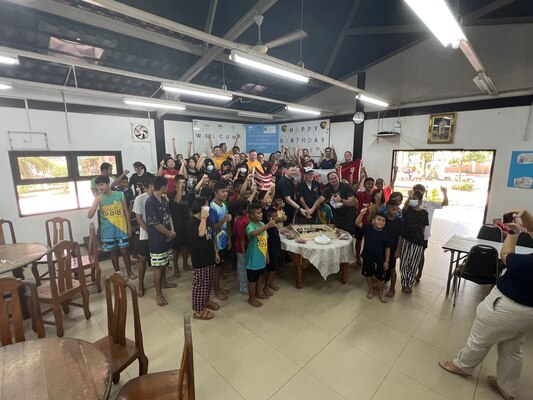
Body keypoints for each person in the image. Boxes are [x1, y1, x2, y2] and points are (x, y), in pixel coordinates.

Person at [439, 208, 533, 400]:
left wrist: (513, 234)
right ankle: (507, 388)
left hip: (506, 305)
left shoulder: (528, 264)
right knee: (513, 349)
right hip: (528, 312)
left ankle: (462, 366)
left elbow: (505, 255)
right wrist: (525, 215)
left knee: (480, 338)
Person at [87, 175, 135, 279]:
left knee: (124, 251)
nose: (100, 187)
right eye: (98, 185)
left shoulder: (119, 194)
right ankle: (118, 274)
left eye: (102, 184)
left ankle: (129, 272)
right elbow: (89, 215)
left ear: (108, 184)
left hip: (121, 228)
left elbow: (126, 212)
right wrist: (95, 201)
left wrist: (129, 226)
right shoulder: (99, 198)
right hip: (108, 231)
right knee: (113, 252)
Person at [145, 176, 177, 306]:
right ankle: (158, 294)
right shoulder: (150, 202)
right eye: (167, 185)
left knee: (164, 263)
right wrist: (169, 233)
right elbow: (155, 224)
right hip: (157, 239)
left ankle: (164, 283)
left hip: (167, 237)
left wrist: (173, 231)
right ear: (163, 187)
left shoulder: (163, 199)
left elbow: (169, 217)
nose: (168, 188)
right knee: (157, 267)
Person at [187, 196, 221, 320]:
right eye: (206, 205)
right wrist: (203, 218)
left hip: (209, 256)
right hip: (199, 258)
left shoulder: (206, 221)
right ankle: (198, 310)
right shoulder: (192, 222)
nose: (208, 208)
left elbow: (210, 237)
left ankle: (205, 302)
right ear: (200, 207)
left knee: (208, 282)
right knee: (199, 284)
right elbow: (201, 233)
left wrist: (216, 252)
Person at [413, 184, 448, 281]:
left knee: (420, 253)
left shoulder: (429, 203)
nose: (419, 192)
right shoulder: (412, 202)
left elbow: (445, 203)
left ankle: (419, 273)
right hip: (411, 233)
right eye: (417, 190)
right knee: (412, 253)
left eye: (421, 191)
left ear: (424, 192)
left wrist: (444, 193)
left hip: (424, 234)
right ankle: (411, 272)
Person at [356, 207, 390, 303]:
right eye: (378, 220)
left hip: (379, 260)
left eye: (383, 221)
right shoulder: (368, 228)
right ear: (373, 221)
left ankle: (381, 293)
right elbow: (358, 223)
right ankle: (370, 290)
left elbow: (388, 248)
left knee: (380, 278)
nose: (381, 222)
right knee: (369, 275)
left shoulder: (385, 234)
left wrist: (386, 261)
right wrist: (361, 214)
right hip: (367, 258)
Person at [245, 203, 276, 307]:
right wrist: (267, 226)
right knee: (252, 279)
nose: (261, 214)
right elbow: (252, 234)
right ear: (251, 215)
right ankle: (251, 298)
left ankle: (258, 293)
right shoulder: (250, 226)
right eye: (258, 213)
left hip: (262, 256)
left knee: (260, 276)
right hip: (253, 258)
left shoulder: (262, 224)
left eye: (261, 212)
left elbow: (265, 240)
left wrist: (266, 255)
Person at [399, 191, 428, 294]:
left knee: (414, 263)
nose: (413, 200)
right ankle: (404, 283)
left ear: (420, 201)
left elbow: (423, 228)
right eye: (412, 198)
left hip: (418, 241)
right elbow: (406, 205)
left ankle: (409, 283)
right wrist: (409, 197)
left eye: (415, 199)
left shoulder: (424, 213)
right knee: (404, 263)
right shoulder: (406, 210)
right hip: (406, 239)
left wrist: (417, 237)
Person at [208, 180, 232, 301]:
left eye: (226, 191)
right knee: (216, 269)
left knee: (220, 266)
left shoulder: (224, 204)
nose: (225, 194)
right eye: (222, 192)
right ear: (215, 193)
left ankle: (219, 288)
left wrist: (229, 238)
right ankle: (216, 291)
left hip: (223, 239)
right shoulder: (212, 207)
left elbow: (226, 224)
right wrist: (224, 220)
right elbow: (212, 227)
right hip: (215, 241)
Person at [132, 179, 154, 297]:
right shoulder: (140, 198)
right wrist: (150, 232)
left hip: (159, 233)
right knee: (143, 258)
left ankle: (164, 281)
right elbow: (139, 219)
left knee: (161, 258)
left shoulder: (160, 197)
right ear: (149, 186)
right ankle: (141, 284)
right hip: (145, 234)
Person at [170, 175, 191, 275]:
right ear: (175, 183)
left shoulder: (188, 194)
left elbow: (190, 209)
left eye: (184, 183)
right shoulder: (171, 194)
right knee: (176, 247)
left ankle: (186, 264)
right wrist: (179, 188)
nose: (183, 185)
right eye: (180, 183)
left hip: (186, 223)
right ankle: (175, 267)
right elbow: (177, 201)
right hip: (176, 224)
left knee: (185, 245)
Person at [381, 199, 403, 298]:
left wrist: (398, 250)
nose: (395, 212)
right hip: (382, 248)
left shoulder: (399, 221)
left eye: (397, 210)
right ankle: (382, 283)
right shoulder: (383, 219)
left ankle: (392, 289)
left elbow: (400, 236)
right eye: (393, 209)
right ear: (387, 208)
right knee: (383, 267)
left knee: (392, 269)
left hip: (393, 249)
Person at [354, 177, 375, 264]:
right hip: (360, 222)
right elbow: (354, 191)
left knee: (368, 241)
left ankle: (365, 256)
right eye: (368, 183)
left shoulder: (374, 196)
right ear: (364, 185)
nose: (370, 185)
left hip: (370, 223)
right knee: (359, 240)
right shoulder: (360, 194)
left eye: (371, 184)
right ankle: (358, 257)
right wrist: (360, 180)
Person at [233, 199, 250, 294]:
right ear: (244, 210)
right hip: (242, 246)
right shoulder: (243, 220)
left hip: (239, 244)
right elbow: (243, 238)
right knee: (243, 267)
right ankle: (243, 288)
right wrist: (243, 251)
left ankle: (240, 285)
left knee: (240, 266)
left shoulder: (237, 219)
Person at [265, 207, 282, 293]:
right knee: (271, 270)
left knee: (275, 269)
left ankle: (271, 283)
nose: (276, 218)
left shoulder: (274, 226)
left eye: (276, 216)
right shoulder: (268, 228)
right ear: (269, 218)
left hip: (276, 250)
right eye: (274, 216)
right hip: (272, 251)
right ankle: (266, 287)